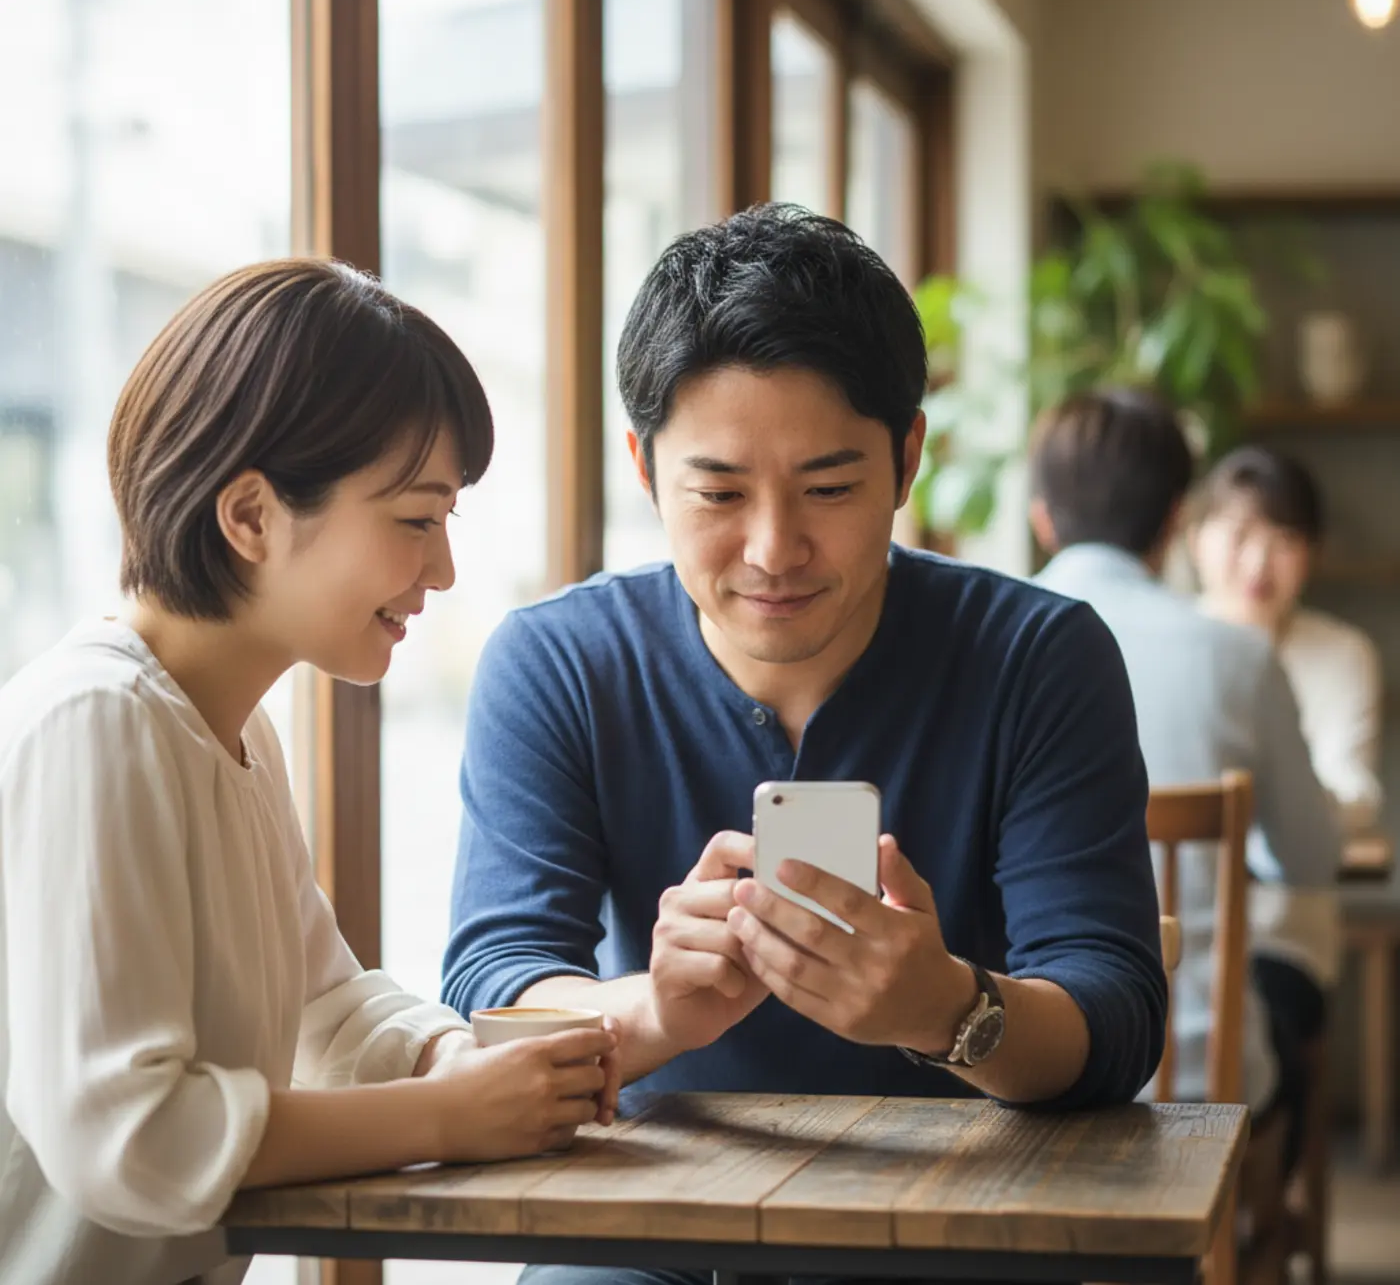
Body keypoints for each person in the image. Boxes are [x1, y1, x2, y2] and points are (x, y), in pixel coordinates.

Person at [444, 205, 1167, 1285]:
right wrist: (649, 1008)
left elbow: (1112, 1012)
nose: (774, 548)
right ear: (643, 469)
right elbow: (493, 986)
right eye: (719, 491)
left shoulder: (1034, 655)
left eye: (828, 487)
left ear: (907, 456)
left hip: (966, 1223)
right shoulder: (559, 663)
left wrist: (944, 1007)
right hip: (654, 1229)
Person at [0, 260, 618, 1285]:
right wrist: (446, 1115)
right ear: (249, 515)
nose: (442, 570)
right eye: (415, 519)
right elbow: (130, 1133)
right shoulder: (98, 722)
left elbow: (325, 1010)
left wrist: (451, 1059)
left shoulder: (228, 731)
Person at [1030, 390, 1341, 1166]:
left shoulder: (973, 647)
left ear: (1041, 516)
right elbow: (1309, 859)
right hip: (1203, 1070)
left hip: (1018, 1068)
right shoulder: (1237, 656)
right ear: (1176, 520)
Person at [1191, 446, 1383, 1087]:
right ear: (1195, 538)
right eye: (1240, 534)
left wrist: (1277, 802)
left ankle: (1263, 1180)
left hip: (1282, 932)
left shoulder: (1341, 654)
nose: (1257, 563)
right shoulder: (1173, 646)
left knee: (1268, 1025)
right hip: (1169, 928)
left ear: (1313, 553)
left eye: (1284, 540)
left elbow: (1358, 793)